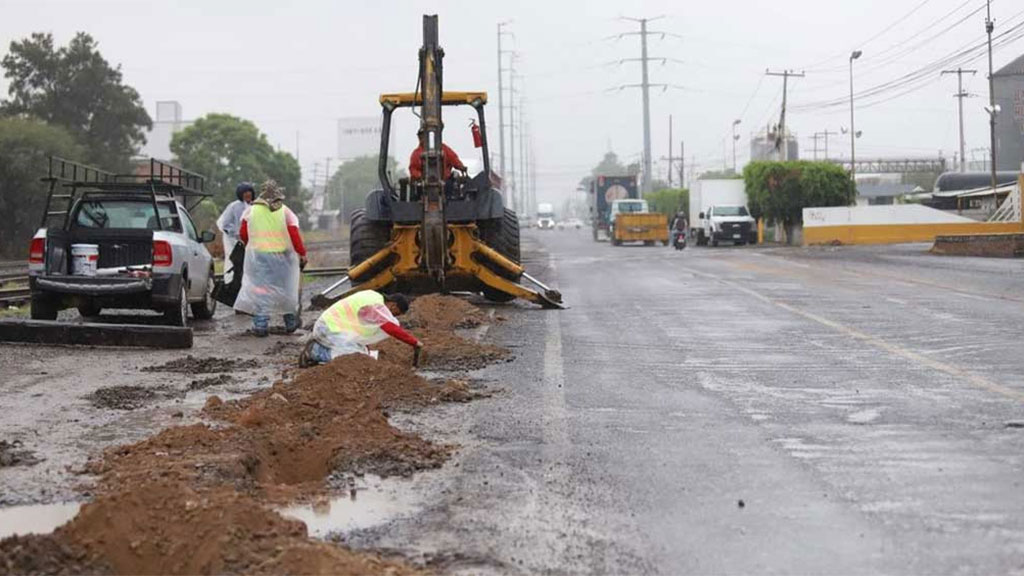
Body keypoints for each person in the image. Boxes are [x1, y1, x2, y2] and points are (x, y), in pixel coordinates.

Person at [233, 180, 308, 336]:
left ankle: (261, 325)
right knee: (287, 288)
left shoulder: (251, 211)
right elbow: (294, 234)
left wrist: (252, 245)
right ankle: (290, 322)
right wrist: (302, 253)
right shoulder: (286, 211)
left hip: (259, 256)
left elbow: (243, 233)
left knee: (262, 289)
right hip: (283, 256)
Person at [299, 290, 422, 366]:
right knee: (354, 357)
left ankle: (321, 348)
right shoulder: (376, 305)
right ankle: (315, 352)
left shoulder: (372, 297)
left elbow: (359, 329)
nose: (393, 316)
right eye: (396, 313)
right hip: (329, 329)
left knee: (362, 352)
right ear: (393, 305)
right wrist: (414, 342)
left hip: (332, 327)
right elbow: (390, 328)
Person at [216, 182, 255, 284]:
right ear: (240, 194)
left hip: (250, 242)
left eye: (249, 192)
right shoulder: (234, 206)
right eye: (245, 192)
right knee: (232, 263)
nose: (248, 194)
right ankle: (230, 284)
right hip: (234, 242)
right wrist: (237, 235)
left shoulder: (255, 206)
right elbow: (225, 224)